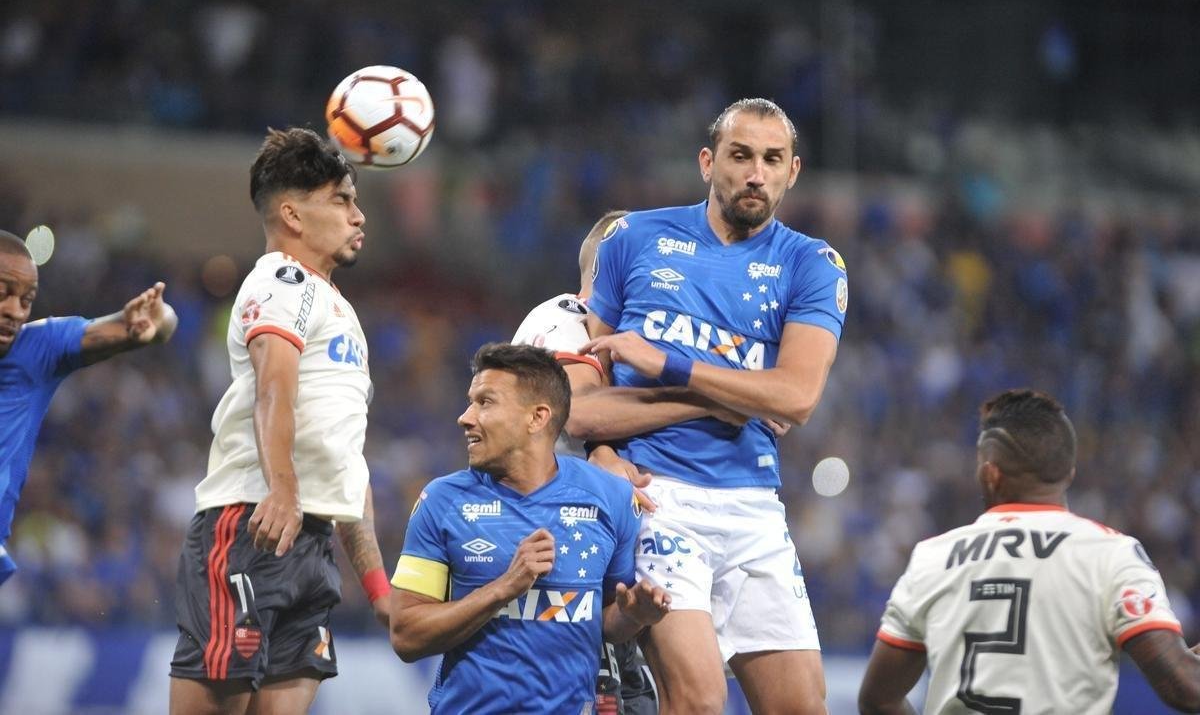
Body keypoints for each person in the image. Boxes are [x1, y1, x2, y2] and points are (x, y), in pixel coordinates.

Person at [579, 97, 848, 714]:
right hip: (658, 499)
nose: (755, 174)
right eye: (740, 156)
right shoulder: (632, 240)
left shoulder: (811, 264)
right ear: (708, 162)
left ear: (793, 172)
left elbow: (797, 397)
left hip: (755, 509)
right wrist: (604, 450)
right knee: (699, 701)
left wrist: (667, 366)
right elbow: (586, 408)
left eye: (772, 160)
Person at [169, 127, 389, 715]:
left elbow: (346, 465)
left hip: (310, 541)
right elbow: (274, 389)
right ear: (292, 214)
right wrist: (284, 491)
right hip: (253, 524)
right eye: (341, 200)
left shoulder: (341, 311)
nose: (358, 215)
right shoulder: (281, 281)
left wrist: (378, 589)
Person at [858, 389, 1200, 715]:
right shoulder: (1110, 554)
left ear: (989, 473)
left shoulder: (932, 558)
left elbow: (879, 701)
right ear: (1069, 472)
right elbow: (1184, 686)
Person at [389, 342, 672, 714]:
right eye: (470, 402)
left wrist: (634, 615)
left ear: (537, 418)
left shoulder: (611, 498)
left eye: (485, 402)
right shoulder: (442, 501)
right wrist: (505, 587)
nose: (465, 418)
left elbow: (604, 622)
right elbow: (406, 635)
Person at [0, 228, 177, 584]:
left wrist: (155, 322)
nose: (15, 310)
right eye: (4, 293)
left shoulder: (37, 349)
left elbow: (152, 325)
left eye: (26, 299)